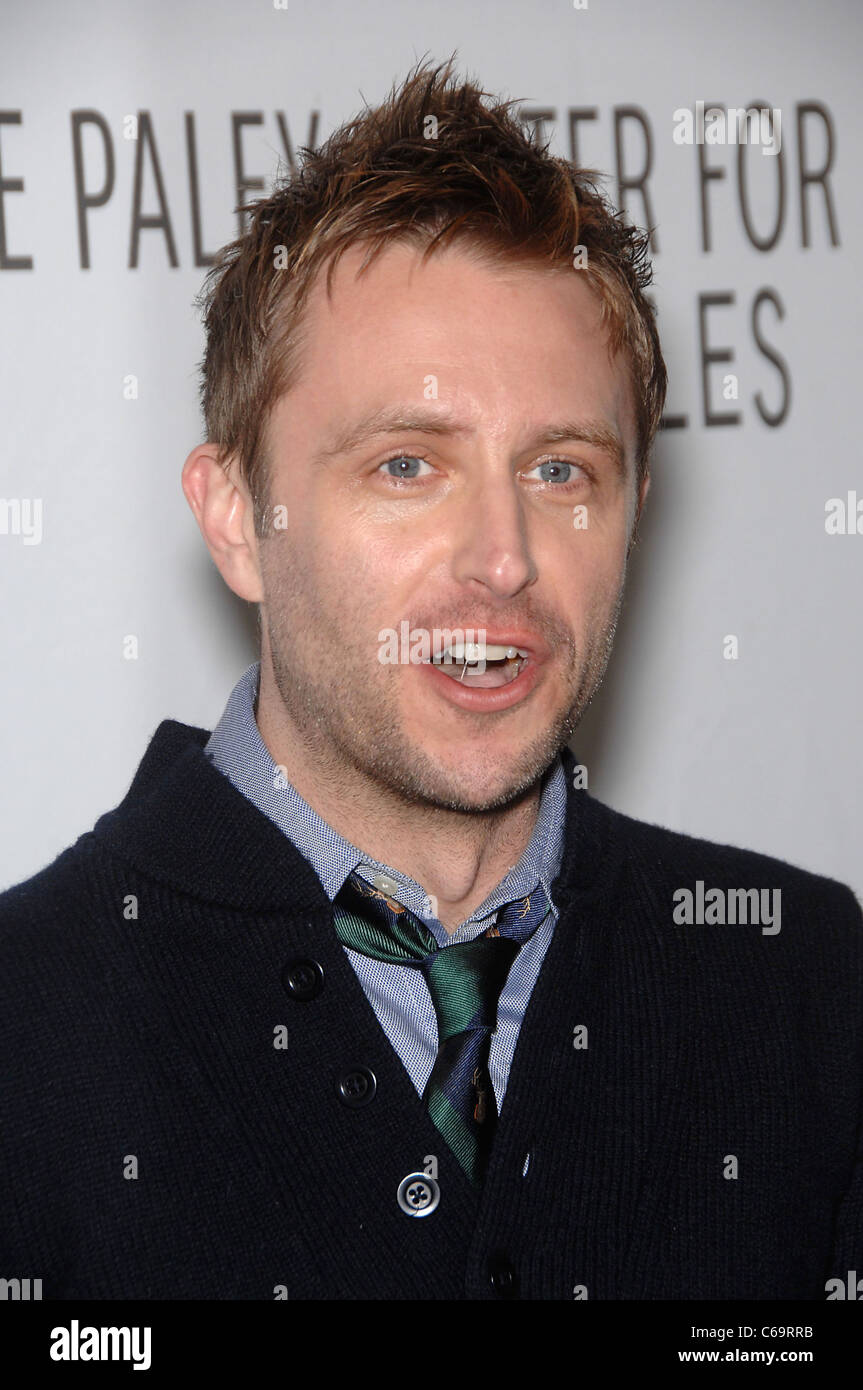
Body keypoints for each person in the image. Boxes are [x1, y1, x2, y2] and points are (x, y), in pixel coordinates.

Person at [1, 56, 860, 1302]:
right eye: (407, 466)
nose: (502, 559)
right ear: (239, 518)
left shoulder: (806, 988)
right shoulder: (29, 1030)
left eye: (562, 470)